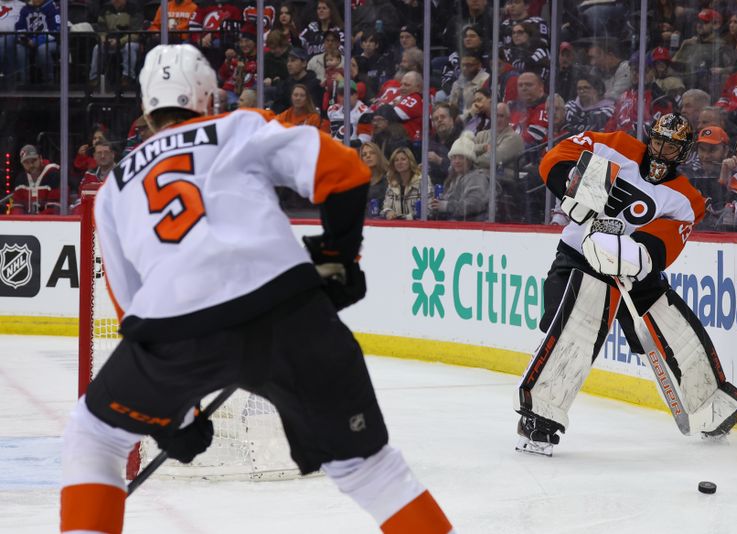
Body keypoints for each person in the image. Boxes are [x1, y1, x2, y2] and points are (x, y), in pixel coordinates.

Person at [59, 44, 453, 534]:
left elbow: (133, 312)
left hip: (178, 329)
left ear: (146, 107)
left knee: (96, 436)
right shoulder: (238, 126)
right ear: (208, 98)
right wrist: (336, 260)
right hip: (287, 307)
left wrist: (176, 422)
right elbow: (346, 172)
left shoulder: (116, 184)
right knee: (370, 468)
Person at [514, 113, 737, 456]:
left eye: (671, 147)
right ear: (648, 136)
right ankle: (540, 417)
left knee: (676, 329)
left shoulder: (686, 199)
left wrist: (637, 255)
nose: (660, 151)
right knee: (572, 330)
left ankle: (711, 405)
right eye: (657, 141)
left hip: (635, 273)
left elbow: (668, 241)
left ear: (683, 154)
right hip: (579, 257)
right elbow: (556, 157)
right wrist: (576, 187)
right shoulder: (614, 145)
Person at [430, 131, 491, 221]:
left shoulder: (477, 177)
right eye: (454, 157)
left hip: (471, 228)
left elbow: (475, 204)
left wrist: (446, 206)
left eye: (461, 157)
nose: (457, 161)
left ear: (470, 160)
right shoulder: (453, 178)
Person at [14, 0, 60, 85]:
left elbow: (55, 31)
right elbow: (20, 27)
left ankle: (49, 81)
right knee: (19, 48)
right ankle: (24, 82)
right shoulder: (25, 9)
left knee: (42, 49)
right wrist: (24, 39)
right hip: (29, 42)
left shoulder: (52, 7)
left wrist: (35, 41)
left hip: (52, 42)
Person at [8, 144, 60, 215]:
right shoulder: (20, 180)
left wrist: (34, 222)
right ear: (22, 164)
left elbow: (54, 210)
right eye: (26, 162)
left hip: (50, 224)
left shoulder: (53, 175)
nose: (31, 165)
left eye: (34, 161)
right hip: (28, 224)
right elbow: (17, 207)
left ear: (40, 158)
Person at [380, 147, 429, 220]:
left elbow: (429, 209)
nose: (399, 162)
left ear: (410, 161)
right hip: (396, 228)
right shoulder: (392, 183)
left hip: (418, 227)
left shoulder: (423, 180)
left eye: (403, 159)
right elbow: (385, 207)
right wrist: (388, 212)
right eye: (396, 160)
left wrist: (404, 217)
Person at [360, 141, 389, 217]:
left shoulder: (389, 178)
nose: (368, 156)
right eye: (364, 154)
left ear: (378, 156)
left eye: (372, 153)